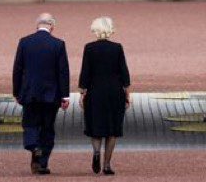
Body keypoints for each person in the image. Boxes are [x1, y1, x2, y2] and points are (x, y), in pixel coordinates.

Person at [13, 13, 71, 175]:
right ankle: (43, 162)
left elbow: (18, 69)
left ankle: (34, 146)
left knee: (30, 124)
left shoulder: (25, 42)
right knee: (47, 128)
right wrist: (64, 96)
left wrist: (17, 91)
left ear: (36, 25)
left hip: (30, 92)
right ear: (52, 27)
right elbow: (63, 71)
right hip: (51, 95)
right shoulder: (58, 44)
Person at [78, 16, 131, 176]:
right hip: (115, 91)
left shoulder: (89, 48)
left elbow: (85, 72)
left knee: (95, 127)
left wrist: (82, 92)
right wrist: (127, 93)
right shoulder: (117, 48)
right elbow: (124, 73)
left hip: (95, 91)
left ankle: (96, 152)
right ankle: (107, 164)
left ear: (95, 30)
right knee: (112, 129)